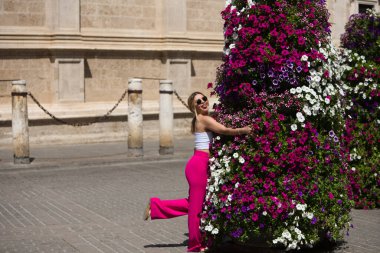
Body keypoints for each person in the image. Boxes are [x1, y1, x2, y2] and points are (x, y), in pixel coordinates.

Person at [143, 91, 251, 252]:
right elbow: (225, 130)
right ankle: (195, 245)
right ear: (194, 107)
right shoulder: (204, 119)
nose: (203, 102)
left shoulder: (198, 120)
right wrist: (244, 130)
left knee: (195, 204)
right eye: (198, 101)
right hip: (199, 165)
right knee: (196, 209)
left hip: (198, 163)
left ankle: (156, 207)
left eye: (204, 98)